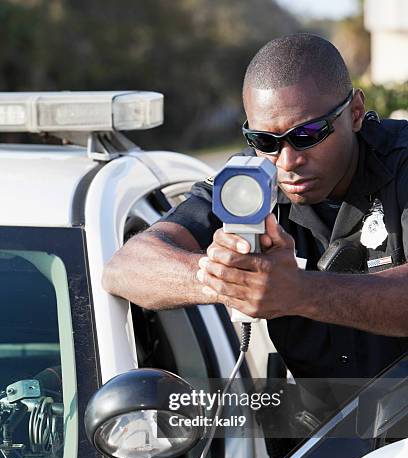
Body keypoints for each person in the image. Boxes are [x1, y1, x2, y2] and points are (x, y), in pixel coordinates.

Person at [102, 33, 408, 427]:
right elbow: (125, 267)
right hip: (324, 443)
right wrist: (229, 280)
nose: (288, 161)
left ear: (355, 112)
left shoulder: (400, 166)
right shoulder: (250, 180)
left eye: (308, 135)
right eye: (264, 140)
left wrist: (298, 293)